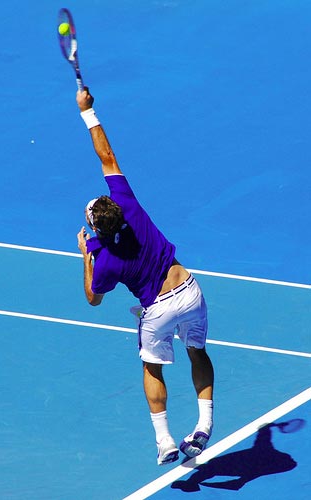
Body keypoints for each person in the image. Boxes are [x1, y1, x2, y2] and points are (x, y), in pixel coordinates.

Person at [75, 88, 214, 466]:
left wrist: (85, 257)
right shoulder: (128, 204)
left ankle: (165, 440)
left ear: (95, 229)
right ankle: (204, 426)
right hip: (190, 290)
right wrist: (88, 112)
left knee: (152, 367)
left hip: (160, 310)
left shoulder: (103, 260)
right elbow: (107, 156)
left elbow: (93, 297)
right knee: (197, 352)